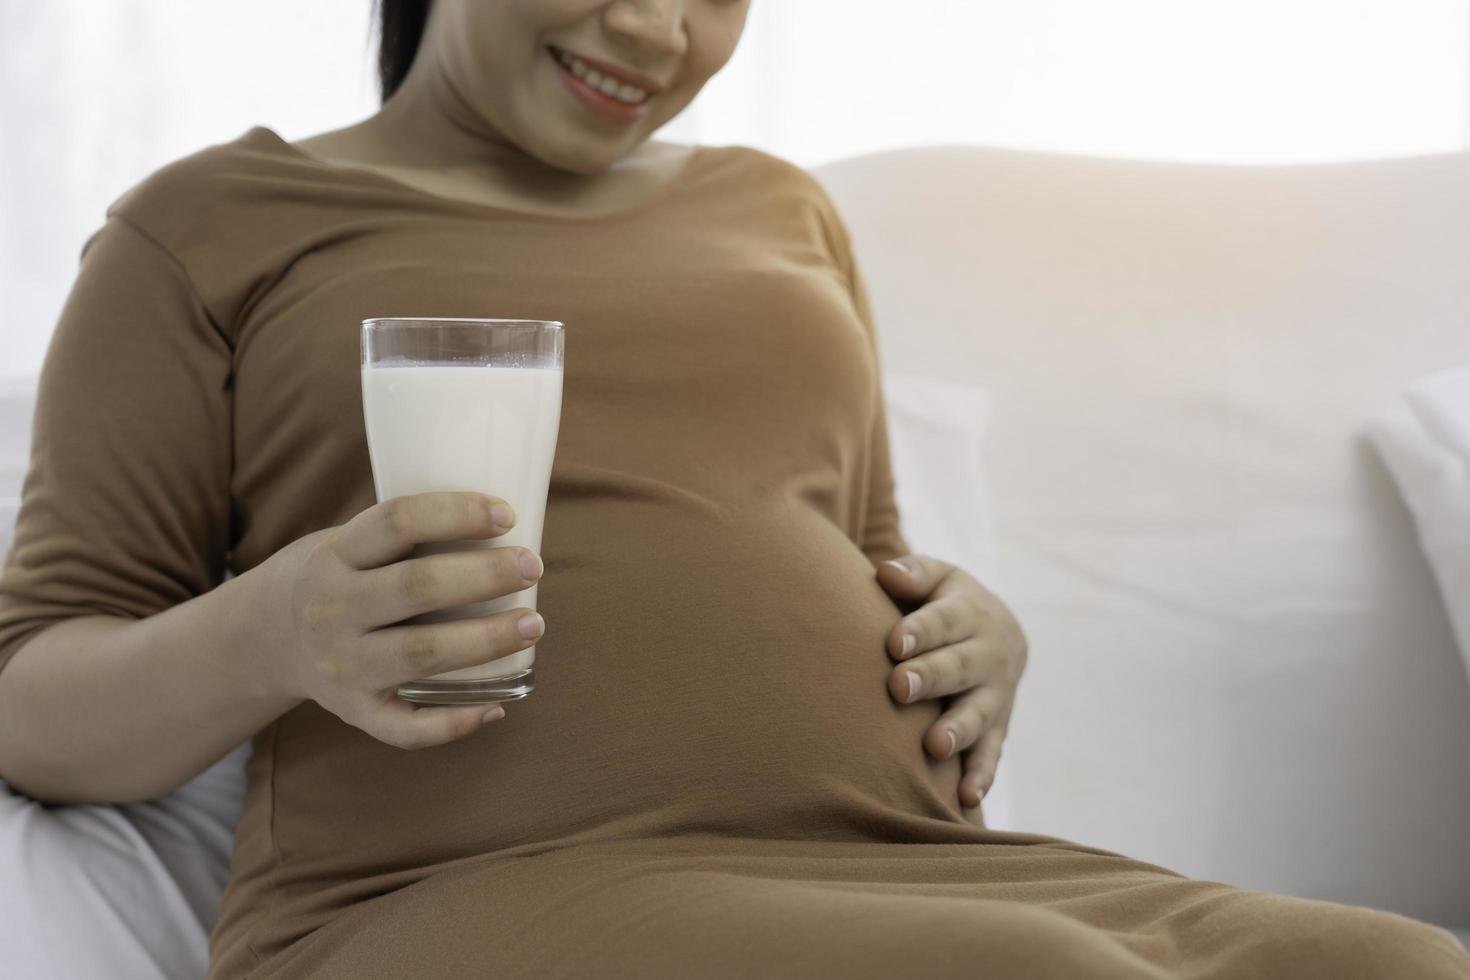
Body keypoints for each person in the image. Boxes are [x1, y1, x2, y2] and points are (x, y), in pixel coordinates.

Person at [0, 1, 1466, 977]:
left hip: (908, 870)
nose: (654, 26)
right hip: (454, 900)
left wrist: (974, 633)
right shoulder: (209, 230)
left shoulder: (780, 206)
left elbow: (852, 546)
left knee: (1398, 964)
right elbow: (32, 695)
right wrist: (274, 635)